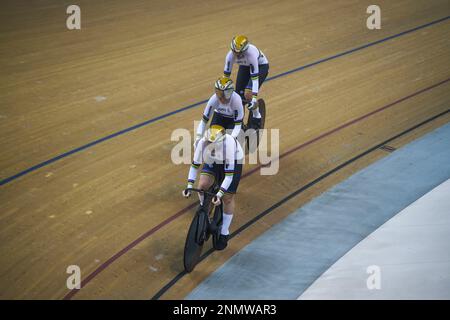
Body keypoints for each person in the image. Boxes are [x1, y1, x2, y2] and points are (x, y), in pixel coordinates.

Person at [183, 125, 244, 250]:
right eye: (208, 142)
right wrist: (189, 186)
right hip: (214, 159)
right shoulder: (202, 143)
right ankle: (205, 209)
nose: (209, 145)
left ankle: (224, 232)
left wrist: (219, 194)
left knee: (227, 198)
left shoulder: (229, 147)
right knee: (202, 185)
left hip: (233, 160)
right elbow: (194, 166)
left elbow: (228, 177)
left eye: (212, 143)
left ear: (220, 142)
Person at [223, 35, 269, 129]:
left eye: (239, 53)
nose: (237, 56)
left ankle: (257, 117)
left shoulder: (251, 54)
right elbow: (225, 79)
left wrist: (254, 98)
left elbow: (255, 78)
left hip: (261, 66)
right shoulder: (230, 56)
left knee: (248, 94)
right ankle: (240, 124)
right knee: (238, 97)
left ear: (245, 50)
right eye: (235, 52)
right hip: (245, 66)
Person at [194, 76, 244, 150]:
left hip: (233, 121)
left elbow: (237, 125)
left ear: (229, 93)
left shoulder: (236, 100)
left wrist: (232, 139)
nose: (220, 97)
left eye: (222, 94)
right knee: (211, 139)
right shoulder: (214, 99)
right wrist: (198, 138)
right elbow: (204, 121)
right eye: (218, 93)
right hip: (219, 117)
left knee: (232, 146)